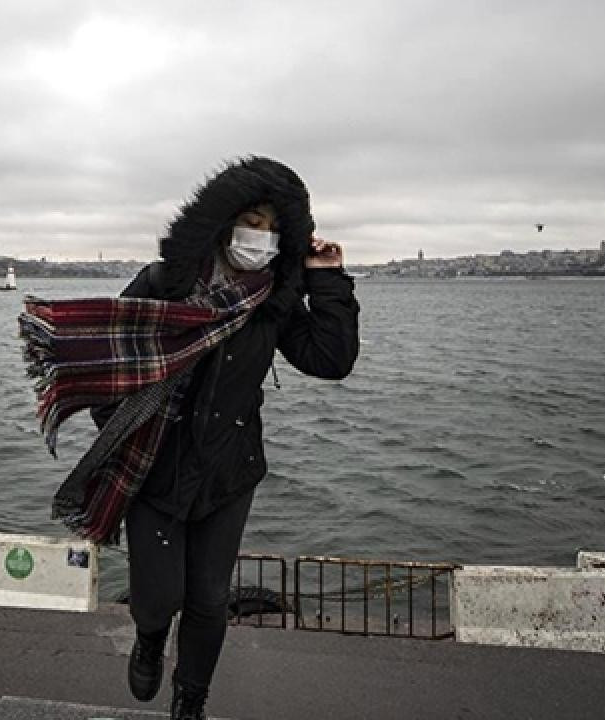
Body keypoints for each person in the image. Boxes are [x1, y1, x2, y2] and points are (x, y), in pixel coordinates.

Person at [19, 156, 359, 719]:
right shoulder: (166, 283)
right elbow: (113, 354)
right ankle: (150, 637)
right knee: (159, 598)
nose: (262, 236)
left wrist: (326, 279)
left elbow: (332, 358)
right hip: (154, 468)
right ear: (223, 220)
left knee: (208, 600)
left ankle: (191, 699)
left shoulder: (273, 301)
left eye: (276, 228)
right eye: (253, 219)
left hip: (229, 472)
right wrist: (129, 429)